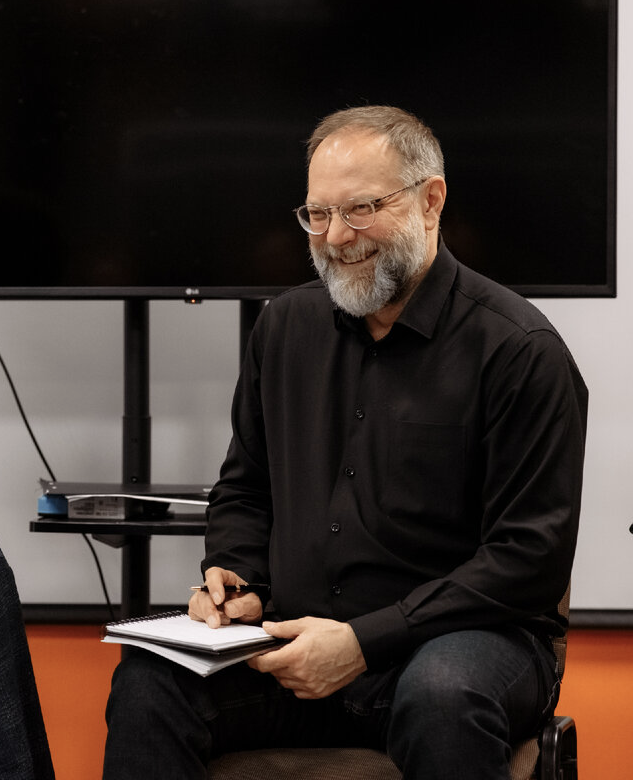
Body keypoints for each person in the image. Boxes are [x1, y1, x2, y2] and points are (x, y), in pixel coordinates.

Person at [103, 106, 588, 780]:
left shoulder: (520, 351)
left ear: (431, 201)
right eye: (317, 214)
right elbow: (246, 487)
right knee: (150, 680)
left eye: (360, 209)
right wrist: (237, 576)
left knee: (443, 695)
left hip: (466, 642)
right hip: (298, 640)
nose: (334, 237)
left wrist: (363, 641)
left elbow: (527, 558)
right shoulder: (283, 328)